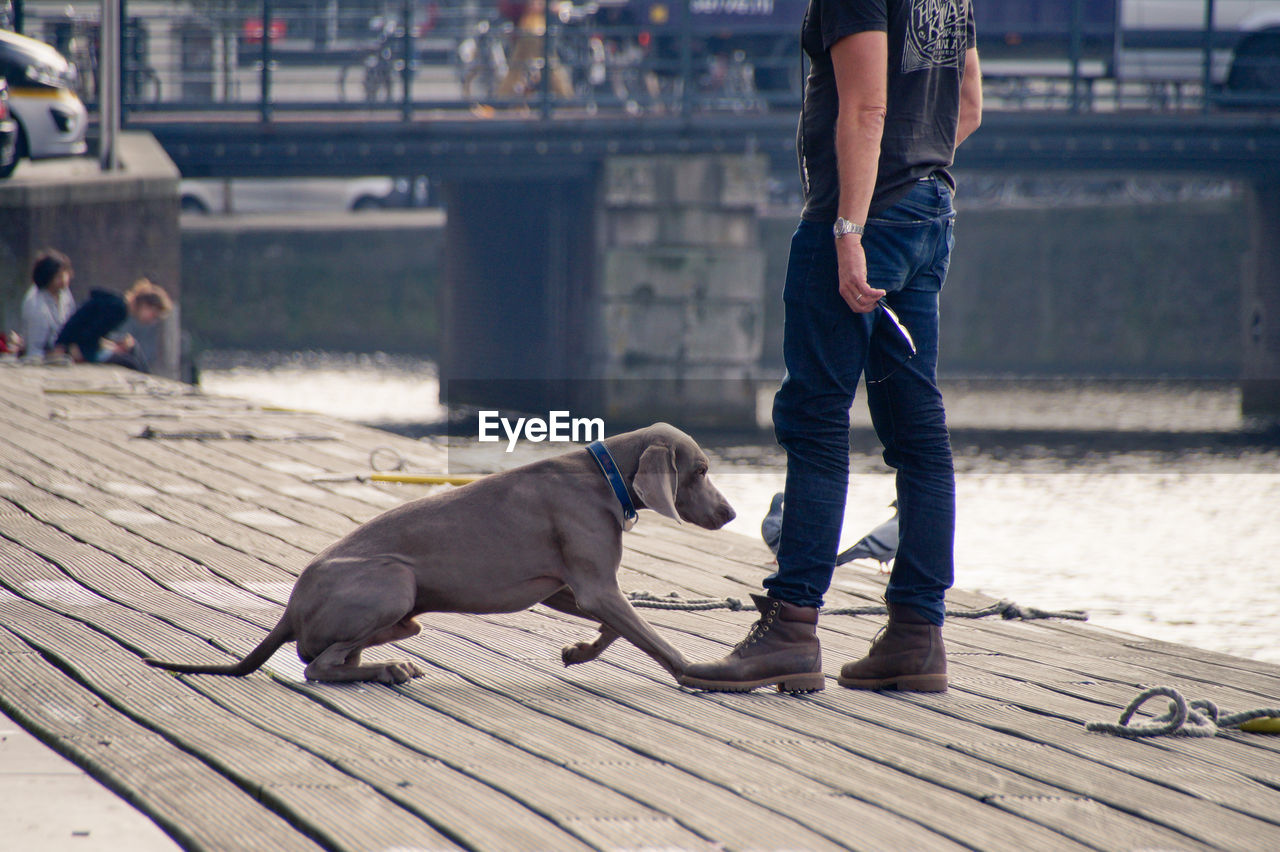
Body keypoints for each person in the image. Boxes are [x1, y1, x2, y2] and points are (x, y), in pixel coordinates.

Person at [679, 0, 983, 694]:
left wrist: (851, 228)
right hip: (929, 207)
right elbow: (967, 104)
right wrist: (914, 184)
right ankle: (915, 634)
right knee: (917, 429)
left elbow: (868, 108)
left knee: (816, 420)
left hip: (863, 219)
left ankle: (790, 629)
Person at [53, 278, 172, 373]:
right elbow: (88, 336)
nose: (152, 320)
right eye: (154, 315)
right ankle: (147, 379)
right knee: (130, 363)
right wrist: (113, 348)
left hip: (79, 344)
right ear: (145, 305)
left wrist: (113, 345)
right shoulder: (119, 309)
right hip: (74, 348)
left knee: (132, 347)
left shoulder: (118, 304)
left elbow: (95, 332)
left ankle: (148, 377)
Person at [21, 248, 77, 361]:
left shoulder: (64, 293)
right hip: (46, 354)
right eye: (58, 277)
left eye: (64, 275)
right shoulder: (35, 303)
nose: (64, 280)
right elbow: (34, 350)